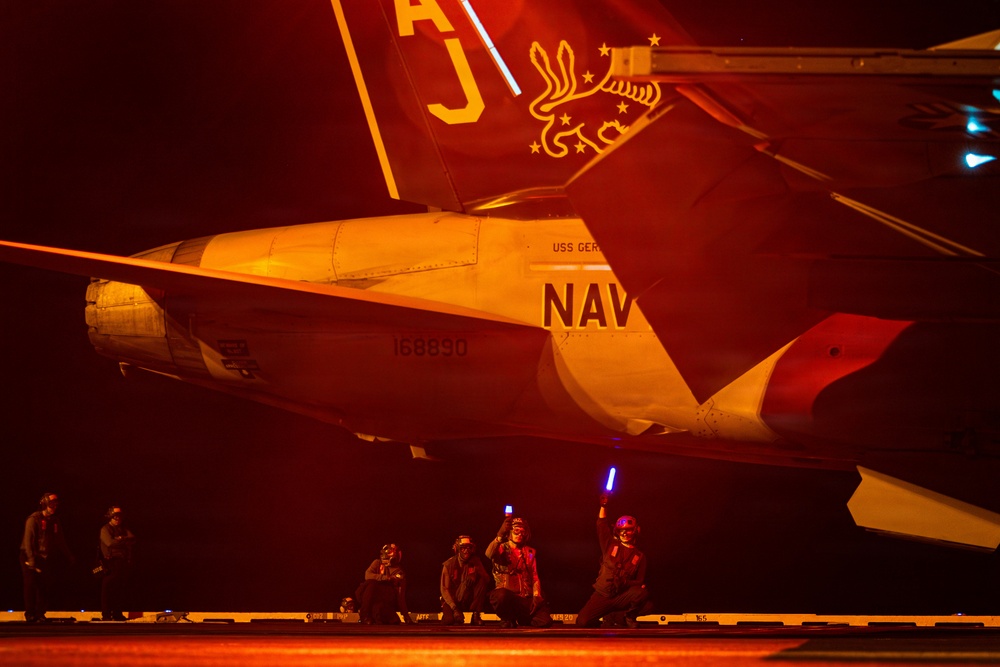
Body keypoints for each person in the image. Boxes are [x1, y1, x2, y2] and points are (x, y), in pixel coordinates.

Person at [575, 493, 652, 628]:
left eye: (628, 530)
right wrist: (603, 506)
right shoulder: (610, 545)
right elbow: (601, 525)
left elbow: (640, 581)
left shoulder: (639, 556)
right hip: (603, 595)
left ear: (635, 531)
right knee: (582, 622)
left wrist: (625, 582)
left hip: (621, 596)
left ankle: (624, 616)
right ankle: (611, 615)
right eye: (621, 531)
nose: (624, 533)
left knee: (644, 598)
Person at [485, 515, 552, 628]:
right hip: (508, 597)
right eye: (516, 531)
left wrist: (536, 596)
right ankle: (507, 618)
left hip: (524, 598)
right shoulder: (500, 548)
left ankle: (522, 618)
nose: (520, 534)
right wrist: (500, 535)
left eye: (522, 531)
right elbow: (488, 553)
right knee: (501, 596)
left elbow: (535, 576)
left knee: (545, 621)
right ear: (509, 532)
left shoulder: (530, 552)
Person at [20, 492, 74, 623]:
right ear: (44, 504)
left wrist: (69, 556)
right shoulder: (33, 519)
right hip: (29, 555)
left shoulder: (55, 521)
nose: (54, 506)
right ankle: (30, 613)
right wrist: (31, 559)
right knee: (31, 584)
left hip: (44, 557)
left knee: (44, 586)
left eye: (56, 504)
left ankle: (40, 613)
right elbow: (28, 541)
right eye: (51, 504)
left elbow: (60, 540)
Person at [355, 543, 415, 624]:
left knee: (393, 620)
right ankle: (364, 615)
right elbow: (367, 575)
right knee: (371, 584)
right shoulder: (376, 563)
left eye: (387, 558)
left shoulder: (399, 573)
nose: (384, 560)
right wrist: (386, 578)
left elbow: (400, 596)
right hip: (367, 594)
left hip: (383, 600)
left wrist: (406, 616)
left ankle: (371, 615)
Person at [439, 535, 488, 625]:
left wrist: (476, 573)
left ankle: (476, 614)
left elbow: (486, 579)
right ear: (457, 549)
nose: (466, 551)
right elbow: (444, 589)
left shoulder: (476, 562)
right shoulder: (448, 565)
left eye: (469, 548)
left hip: (466, 597)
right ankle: (450, 614)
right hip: (452, 600)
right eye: (463, 548)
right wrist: (455, 608)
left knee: (482, 580)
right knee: (449, 621)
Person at [99, 506, 136, 621]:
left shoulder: (123, 529)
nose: (117, 518)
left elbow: (133, 538)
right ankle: (106, 614)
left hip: (122, 561)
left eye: (119, 516)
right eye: (115, 516)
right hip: (110, 562)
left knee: (120, 589)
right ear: (110, 516)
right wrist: (122, 541)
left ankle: (117, 613)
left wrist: (121, 539)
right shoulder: (105, 529)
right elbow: (109, 543)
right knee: (108, 588)